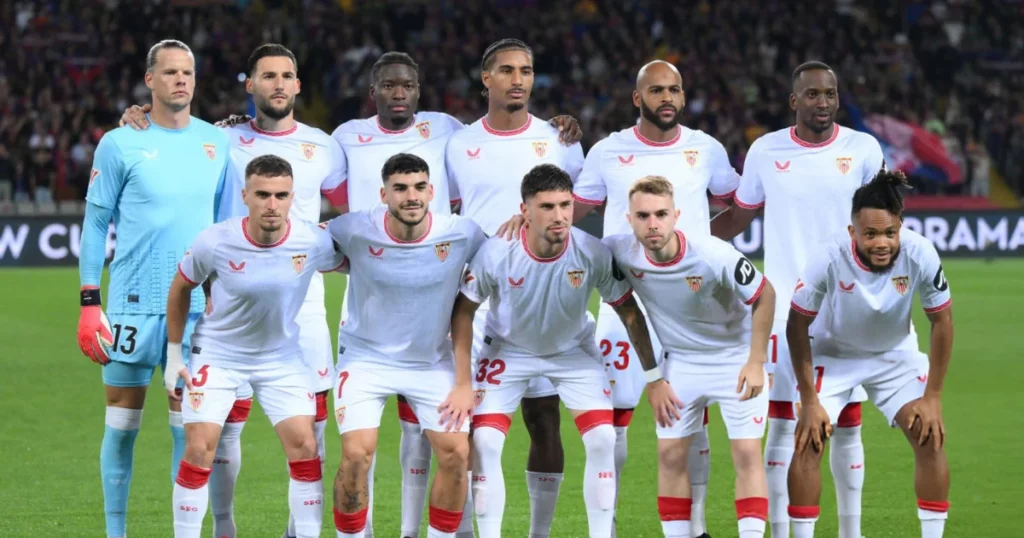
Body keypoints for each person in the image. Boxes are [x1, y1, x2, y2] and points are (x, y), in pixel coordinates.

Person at [498, 59, 736, 536]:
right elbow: (575, 206)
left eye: (674, 89)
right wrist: (526, 219)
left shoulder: (706, 149)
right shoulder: (609, 151)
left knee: (694, 415)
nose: (666, 97)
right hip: (623, 301)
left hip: (691, 306)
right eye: (656, 90)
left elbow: (736, 202)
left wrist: (711, 250)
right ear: (638, 98)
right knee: (614, 418)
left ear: (683, 96)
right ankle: (607, 526)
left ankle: (697, 527)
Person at [119, 43, 347, 538]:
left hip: (302, 303)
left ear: (299, 84)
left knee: (314, 430)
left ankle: (298, 530)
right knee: (225, 431)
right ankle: (224, 526)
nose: (279, 84)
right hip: (233, 295)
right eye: (268, 76)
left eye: (288, 75)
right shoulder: (222, 138)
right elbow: (174, 126)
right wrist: (138, 114)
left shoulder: (325, 145)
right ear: (251, 85)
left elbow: (356, 205)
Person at [710, 61, 886, 538]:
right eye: (812, 94)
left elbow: (883, 220)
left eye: (829, 93)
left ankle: (852, 532)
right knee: (784, 422)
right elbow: (739, 217)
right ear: (795, 101)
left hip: (846, 304)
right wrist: (687, 246)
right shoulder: (766, 151)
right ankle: (781, 530)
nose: (823, 102)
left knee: (848, 423)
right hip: (785, 307)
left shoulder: (863, 148)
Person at [75, 39, 228, 538]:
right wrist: (88, 301)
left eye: (187, 72)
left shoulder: (217, 142)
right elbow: (95, 224)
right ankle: (115, 533)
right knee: (121, 428)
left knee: (190, 433)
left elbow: (224, 227)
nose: (180, 80)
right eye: (169, 73)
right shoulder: (121, 143)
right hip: (132, 307)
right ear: (150, 81)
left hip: (199, 311)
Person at [452, 163, 653, 538]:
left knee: (603, 438)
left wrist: (654, 377)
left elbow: (629, 311)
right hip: (507, 352)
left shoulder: (591, 252)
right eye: (547, 206)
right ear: (524, 210)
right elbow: (463, 311)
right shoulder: (497, 252)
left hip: (573, 352)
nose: (560, 216)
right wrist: (463, 380)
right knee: (484, 442)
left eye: (565, 204)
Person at [444, 38, 586, 537]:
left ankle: (539, 533)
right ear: (486, 79)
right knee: (467, 424)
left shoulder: (560, 138)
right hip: (477, 298)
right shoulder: (459, 143)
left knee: (544, 419)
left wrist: (534, 225)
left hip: (543, 298)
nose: (518, 79)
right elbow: (451, 211)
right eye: (506, 70)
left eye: (526, 69)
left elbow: (578, 205)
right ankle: (466, 529)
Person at [164, 154, 344, 538]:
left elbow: (358, 257)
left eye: (281, 195)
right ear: (245, 195)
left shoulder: (312, 240)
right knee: (199, 448)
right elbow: (181, 286)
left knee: (305, 446)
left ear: (292, 197)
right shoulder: (216, 240)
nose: (272, 204)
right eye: (262, 194)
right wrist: (173, 352)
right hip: (218, 354)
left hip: (281, 357)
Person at [326, 153, 486, 538]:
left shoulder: (464, 233)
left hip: (431, 361)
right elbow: (296, 248)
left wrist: (464, 382)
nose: (410, 196)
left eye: (418, 187)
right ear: (384, 194)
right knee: (356, 456)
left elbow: (505, 259)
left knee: (456, 454)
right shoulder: (351, 229)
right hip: (365, 360)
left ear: (431, 191)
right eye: (400, 188)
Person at [603, 176, 773, 538]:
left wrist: (756, 361)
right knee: (670, 456)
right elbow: (571, 245)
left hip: (734, 359)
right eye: (643, 215)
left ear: (676, 215)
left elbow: (765, 294)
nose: (653, 224)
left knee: (745, 454)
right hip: (680, 362)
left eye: (661, 214)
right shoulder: (619, 252)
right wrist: (653, 378)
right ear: (628, 219)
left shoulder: (713, 254)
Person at [786, 170, 953, 538]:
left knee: (929, 435)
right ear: (852, 233)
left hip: (895, 356)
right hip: (834, 354)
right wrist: (810, 400)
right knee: (808, 440)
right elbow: (796, 325)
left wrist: (934, 397)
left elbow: (942, 322)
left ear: (901, 228)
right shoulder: (827, 256)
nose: (882, 243)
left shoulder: (921, 252)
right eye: (871, 234)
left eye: (890, 233)